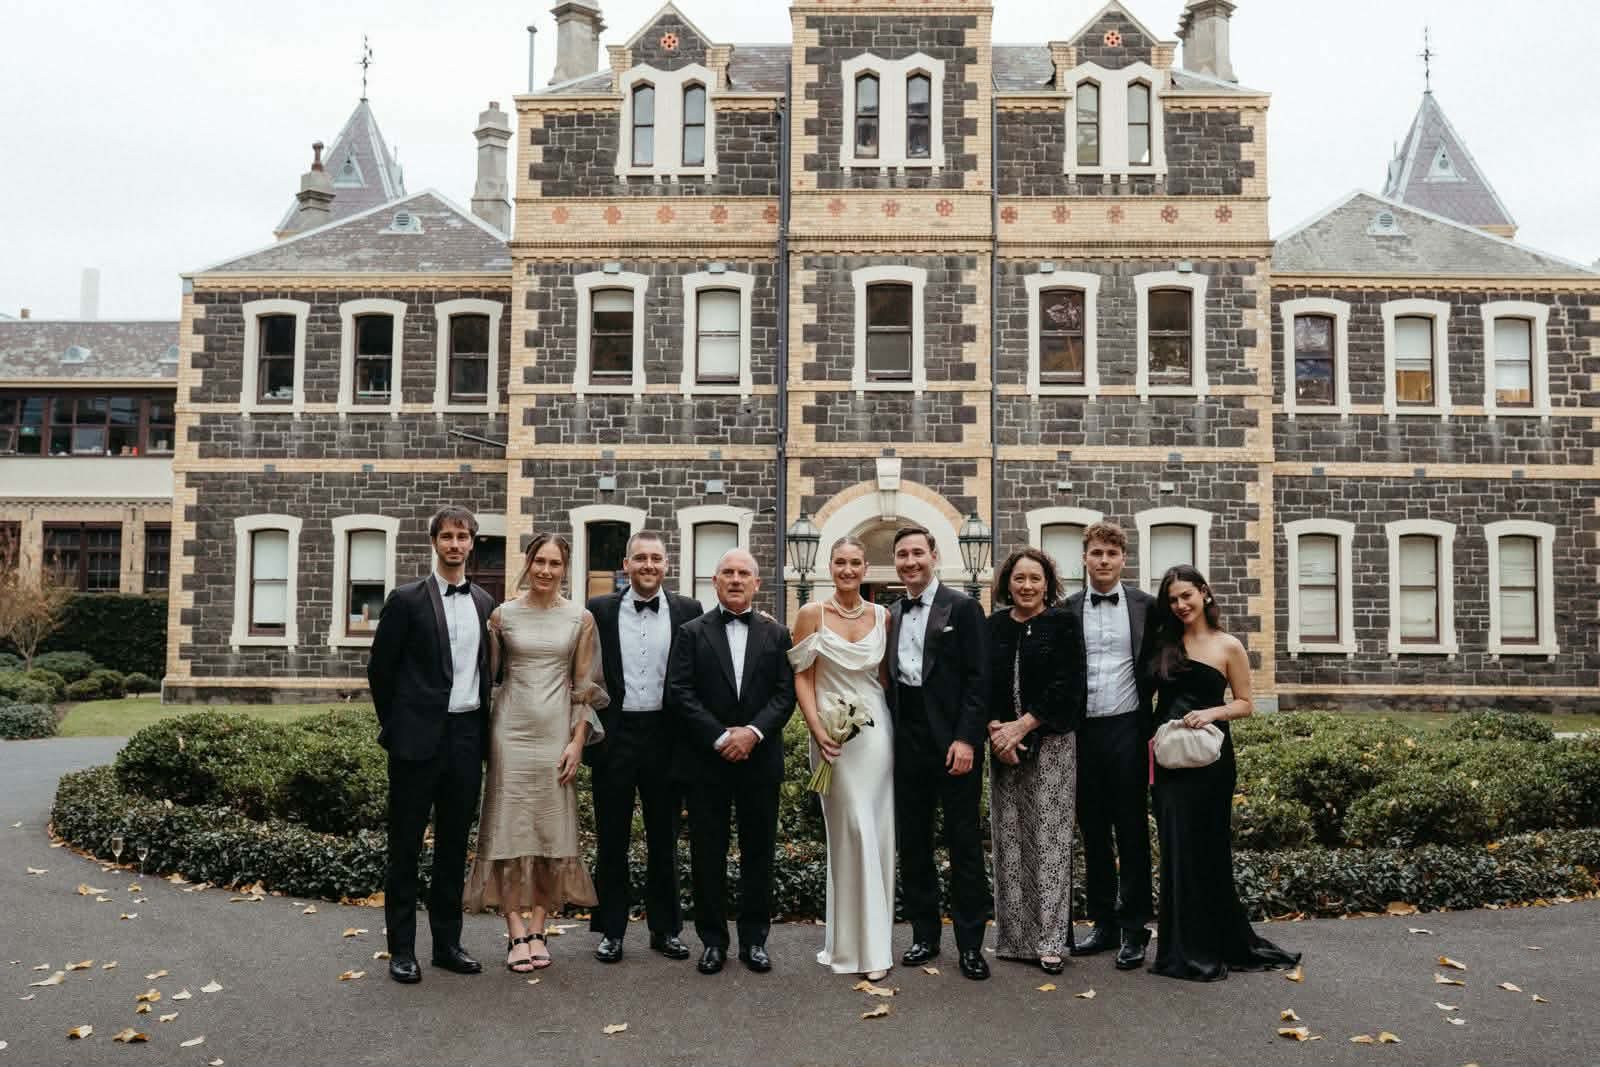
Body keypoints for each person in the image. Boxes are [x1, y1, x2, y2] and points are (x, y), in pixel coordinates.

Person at [1143, 565, 1301, 982]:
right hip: (1168, 759)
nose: (1180, 605)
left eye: (1186, 596)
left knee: (1209, 851)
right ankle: (1177, 950)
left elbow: (1247, 702)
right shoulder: (1163, 642)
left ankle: (1215, 943)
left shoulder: (1229, 646)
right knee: (1175, 849)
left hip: (1212, 760)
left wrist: (1210, 712)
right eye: (1173, 599)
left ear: (1205, 594)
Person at [462, 533, 607, 973]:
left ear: (565, 568)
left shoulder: (579, 619)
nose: (546, 570)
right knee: (507, 831)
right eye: (539, 561)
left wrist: (577, 742)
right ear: (528, 563)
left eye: (555, 563)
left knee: (551, 831)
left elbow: (586, 688)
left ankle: (540, 929)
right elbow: (487, 676)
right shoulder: (501, 616)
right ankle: (515, 932)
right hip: (509, 732)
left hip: (555, 735)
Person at [367, 505, 496, 984]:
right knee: (404, 848)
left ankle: (447, 943)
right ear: (434, 542)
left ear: (472, 543)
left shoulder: (485, 602)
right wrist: (398, 727)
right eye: (447, 536)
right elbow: (381, 671)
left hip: (466, 737)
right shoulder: (406, 600)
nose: (455, 544)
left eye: (463, 536)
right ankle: (402, 949)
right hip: (416, 742)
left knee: (452, 847)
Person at [666, 547, 796, 975]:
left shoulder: (776, 635)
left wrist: (752, 733)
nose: (736, 579)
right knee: (708, 854)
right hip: (708, 761)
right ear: (715, 582)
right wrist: (721, 736)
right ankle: (713, 942)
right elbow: (680, 692)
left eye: (744, 573)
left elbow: (785, 693)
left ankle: (755, 941)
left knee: (760, 853)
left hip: (760, 759)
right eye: (728, 573)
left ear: (757, 583)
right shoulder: (690, 632)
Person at [585, 530, 702, 964]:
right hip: (615, 736)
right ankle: (611, 931)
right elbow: (586, 674)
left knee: (664, 840)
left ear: (666, 565)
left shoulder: (689, 610)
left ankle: (666, 930)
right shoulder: (598, 610)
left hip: (666, 738)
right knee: (611, 838)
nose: (648, 565)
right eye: (640, 558)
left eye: (656, 558)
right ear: (626, 564)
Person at [885, 524, 992, 981]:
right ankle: (924, 936)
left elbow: (979, 679)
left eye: (917, 553)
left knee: (964, 844)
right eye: (902, 555)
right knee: (914, 844)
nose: (910, 562)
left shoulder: (963, 608)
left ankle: (970, 944)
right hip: (904, 740)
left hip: (953, 742)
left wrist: (967, 738)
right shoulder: (889, 612)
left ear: (933, 556)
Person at [788, 536, 896, 981]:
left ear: (865, 567)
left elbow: (885, 680)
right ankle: (849, 947)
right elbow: (803, 680)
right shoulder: (811, 614)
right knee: (850, 828)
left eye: (855, 563)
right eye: (840, 563)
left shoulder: (883, 616)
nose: (848, 570)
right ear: (828, 566)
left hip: (876, 736)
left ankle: (876, 948)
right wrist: (819, 733)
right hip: (831, 736)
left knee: (877, 829)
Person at [985, 547, 1086, 975]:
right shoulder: (993, 627)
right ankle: (1013, 939)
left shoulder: (1062, 623)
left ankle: (1048, 941)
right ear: (1008, 582)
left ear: (1048, 584)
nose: (1027, 586)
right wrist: (997, 731)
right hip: (1002, 747)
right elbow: (982, 682)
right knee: (1008, 840)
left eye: (1035, 579)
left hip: (1051, 745)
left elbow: (1068, 684)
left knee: (1048, 842)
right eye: (1019, 578)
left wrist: (1022, 727)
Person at [1066, 520, 1157, 971]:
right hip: (1081, 733)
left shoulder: (1147, 607)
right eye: (1096, 553)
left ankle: (1135, 927)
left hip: (1128, 730)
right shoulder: (1066, 609)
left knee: (1132, 830)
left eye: (1111, 554)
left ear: (1123, 560)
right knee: (1094, 831)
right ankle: (1103, 923)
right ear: (1084, 558)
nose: (1103, 561)